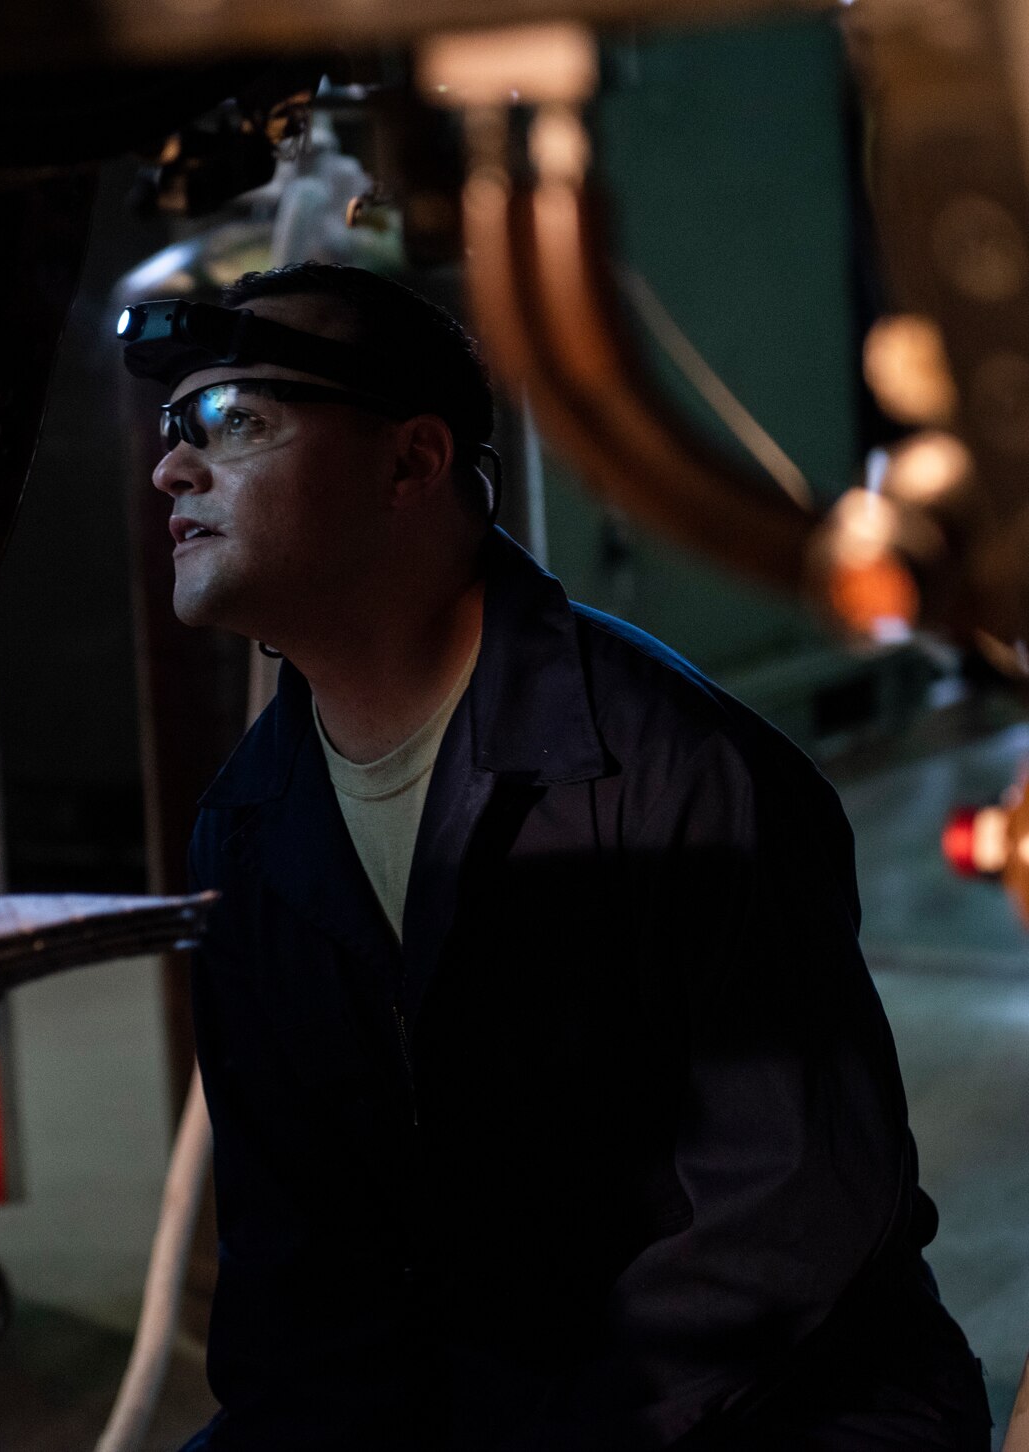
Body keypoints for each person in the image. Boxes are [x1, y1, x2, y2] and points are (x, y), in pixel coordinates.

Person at [128, 262, 989, 1450]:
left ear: (410, 462)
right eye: (173, 430)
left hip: (768, 1411)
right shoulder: (248, 824)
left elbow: (791, 1211)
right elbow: (295, 1259)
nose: (172, 467)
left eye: (234, 420)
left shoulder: (676, 770)